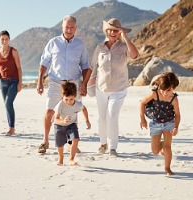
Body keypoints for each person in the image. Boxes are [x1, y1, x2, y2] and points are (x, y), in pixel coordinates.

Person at [37, 15, 91, 153]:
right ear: (62, 27)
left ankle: (72, 143)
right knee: (49, 111)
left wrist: (84, 85)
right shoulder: (53, 43)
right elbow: (44, 63)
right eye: (67, 27)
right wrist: (40, 82)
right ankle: (45, 141)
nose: (69, 29)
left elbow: (86, 66)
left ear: (76, 28)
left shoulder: (80, 45)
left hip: (74, 82)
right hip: (56, 82)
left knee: (73, 113)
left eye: (72, 27)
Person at [89, 18, 139, 156]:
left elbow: (134, 55)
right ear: (106, 31)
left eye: (115, 30)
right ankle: (103, 144)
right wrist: (87, 85)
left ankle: (112, 147)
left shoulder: (124, 47)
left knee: (112, 115)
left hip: (119, 89)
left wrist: (125, 37)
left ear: (119, 32)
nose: (112, 32)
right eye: (110, 30)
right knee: (102, 118)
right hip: (101, 88)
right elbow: (93, 67)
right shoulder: (99, 48)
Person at [140, 72, 181, 176]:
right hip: (155, 124)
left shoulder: (174, 99)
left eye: (169, 90)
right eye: (163, 89)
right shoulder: (155, 93)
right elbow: (142, 102)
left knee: (167, 147)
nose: (165, 93)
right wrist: (142, 119)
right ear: (159, 86)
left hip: (169, 123)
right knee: (155, 151)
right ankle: (162, 144)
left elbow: (177, 115)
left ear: (174, 88)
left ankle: (167, 168)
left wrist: (176, 127)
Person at [54, 82, 91, 166]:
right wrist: (63, 121)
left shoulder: (78, 104)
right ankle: (61, 157)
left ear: (75, 96)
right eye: (66, 99)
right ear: (62, 96)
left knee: (76, 139)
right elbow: (56, 119)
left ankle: (71, 159)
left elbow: (84, 109)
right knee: (60, 144)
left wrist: (87, 121)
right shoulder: (60, 105)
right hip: (59, 126)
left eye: (71, 99)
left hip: (71, 125)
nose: (68, 102)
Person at [0, 30, 22, 136]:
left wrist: (20, 83)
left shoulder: (13, 51)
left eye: (6, 39)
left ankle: (12, 128)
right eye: (2, 39)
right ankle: (11, 127)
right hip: (3, 82)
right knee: (7, 105)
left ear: (9, 39)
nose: (4, 41)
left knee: (8, 103)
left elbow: (19, 68)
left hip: (14, 81)